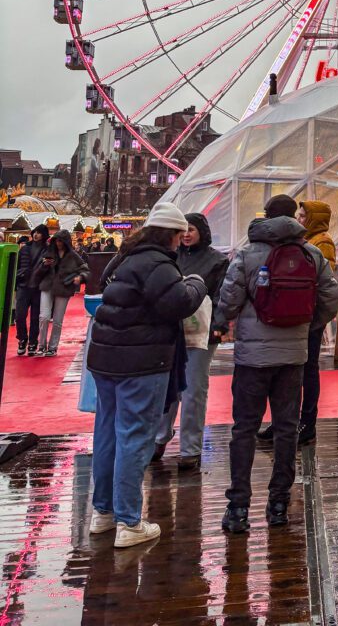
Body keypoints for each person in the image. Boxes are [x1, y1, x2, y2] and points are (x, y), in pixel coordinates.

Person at [212, 194, 338, 534]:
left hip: (252, 359)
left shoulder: (248, 254)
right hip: (293, 356)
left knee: (244, 428)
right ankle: (279, 503)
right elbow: (331, 300)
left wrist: (227, 322)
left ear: (265, 216)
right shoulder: (311, 253)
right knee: (286, 428)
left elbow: (228, 300)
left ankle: (238, 507)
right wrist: (304, 327)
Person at [86, 202, 207, 548]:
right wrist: (197, 284)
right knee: (135, 437)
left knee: (107, 432)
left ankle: (103, 513)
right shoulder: (158, 264)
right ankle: (129, 521)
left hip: (107, 358)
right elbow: (178, 303)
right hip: (142, 362)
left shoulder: (125, 257)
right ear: (170, 235)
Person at [257, 200, 336, 446]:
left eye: (303, 216)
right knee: (290, 372)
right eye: (298, 215)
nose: (299, 219)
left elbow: (325, 284)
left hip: (308, 316)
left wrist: (317, 319)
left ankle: (306, 423)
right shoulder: (302, 241)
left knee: (308, 370)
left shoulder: (321, 243)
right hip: (297, 314)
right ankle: (285, 422)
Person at [154, 211, 229, 470]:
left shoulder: (217, 261)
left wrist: (219, 325)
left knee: (194, 389)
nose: (186, 234)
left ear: (202, 231)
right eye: (183, 229)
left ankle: (191, 448)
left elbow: (222, 296)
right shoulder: (170, 257)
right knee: (167, 387)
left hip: (202, 333)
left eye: (192, 229)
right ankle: (159, 437)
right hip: (172, 330)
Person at [36, 229, 88, 356]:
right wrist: (44, 265)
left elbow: (85, 269)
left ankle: (52, 347)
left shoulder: (73, 255)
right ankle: (41, 345)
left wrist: (80, 277)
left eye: (60, 240)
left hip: (63, 288)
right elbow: (38, 271)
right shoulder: (49, 252)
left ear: (66, 242)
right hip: (47, 285)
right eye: (56, 240)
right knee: (44, 317)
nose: (58, 243)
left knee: (58, 320)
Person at [14, 224, 51, 356]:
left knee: (35, 317)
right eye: (35, 232)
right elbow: (16, 266)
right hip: (23, 286)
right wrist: (16, 282)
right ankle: (22, 339)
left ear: (44, 234)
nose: (36, 235)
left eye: (39, 232)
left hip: (38, 287)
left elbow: (51, 269)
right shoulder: (25, 249)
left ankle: (33, 342)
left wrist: (46, 267)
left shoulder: (48, 250)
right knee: (19, 315)